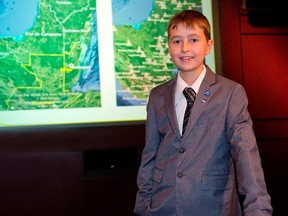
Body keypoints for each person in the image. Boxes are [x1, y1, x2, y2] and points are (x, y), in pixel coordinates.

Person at [134, 9, 272, 216]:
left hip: (214, 206)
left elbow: (246, 154)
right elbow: (150, 155)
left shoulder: (230, 93)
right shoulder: (157, 96)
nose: (185, 48)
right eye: (177, 41)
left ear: (209, 45)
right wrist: (142, 205)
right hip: (162, 207)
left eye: (193, 40)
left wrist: (257, 209)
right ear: (169, 47)